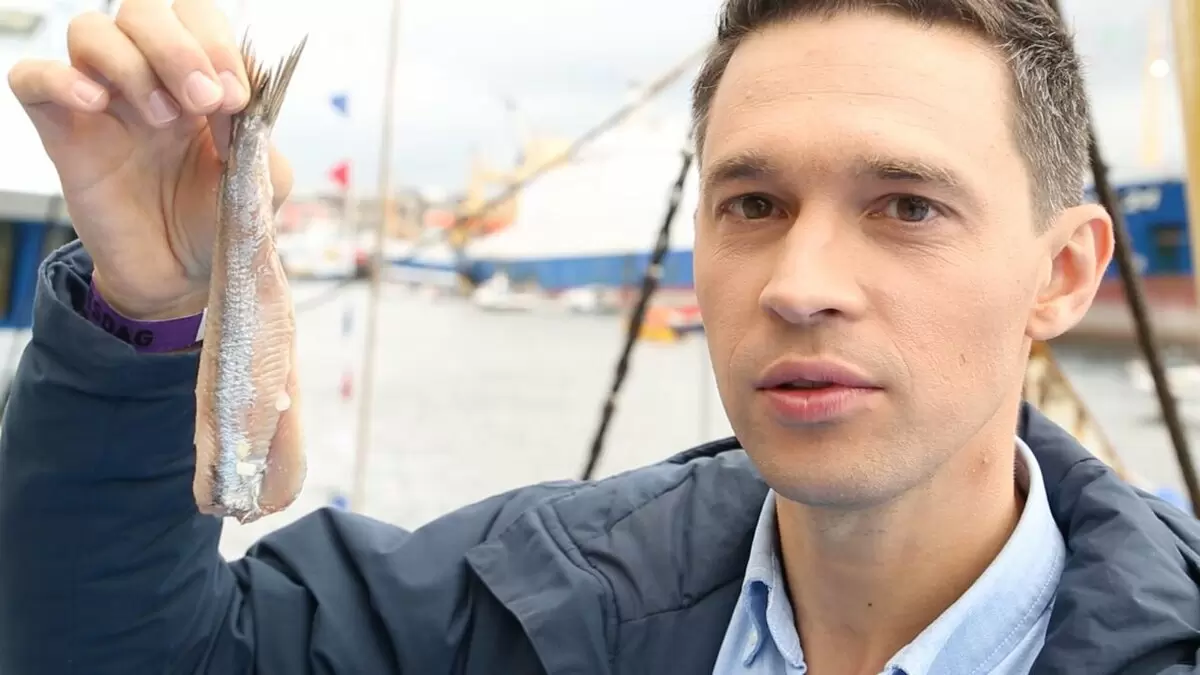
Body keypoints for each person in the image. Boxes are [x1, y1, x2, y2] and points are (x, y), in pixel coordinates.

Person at [2, 0, 1198, 672]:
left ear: (1063, 273)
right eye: (754, 205)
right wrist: (147, 310)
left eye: (907, 207)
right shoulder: (517, 598)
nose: (800, 285)